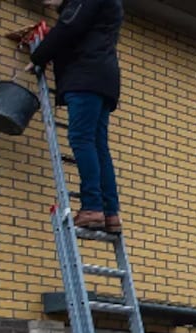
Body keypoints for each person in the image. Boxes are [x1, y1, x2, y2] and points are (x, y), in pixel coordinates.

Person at [25, 0, 125, 234]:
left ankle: (92, 208)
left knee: (81, 139)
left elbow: (69, 27)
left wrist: (37, 57)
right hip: (103, 79)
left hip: (85, 77)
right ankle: (110, 213)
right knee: (99, 145)